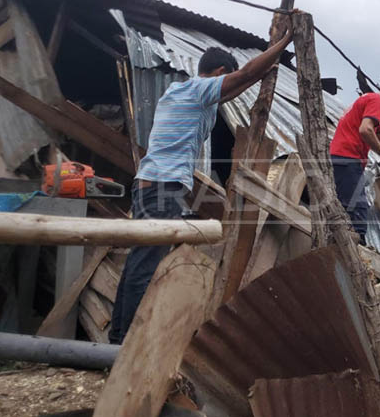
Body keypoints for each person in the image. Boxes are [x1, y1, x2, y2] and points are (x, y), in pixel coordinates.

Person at [108, 25, 296, 344]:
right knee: (147, 265)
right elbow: (241, 77)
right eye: (226, 79)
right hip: (162, 187)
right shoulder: (197, 90)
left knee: (138, 262)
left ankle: (116, 340)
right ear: (219, 72)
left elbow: (238, 84)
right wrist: (282, 44)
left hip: (150, 185)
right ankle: (127, 347)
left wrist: (263, 72)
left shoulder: (184, 94)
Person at [329, 76, 380, 242]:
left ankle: (341, 241)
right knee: (358, 209)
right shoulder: (376, 101)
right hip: (347, 159)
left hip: (342, 159)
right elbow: (366, 131)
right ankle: (357, 251)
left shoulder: (369, 102)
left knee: (344, 207)